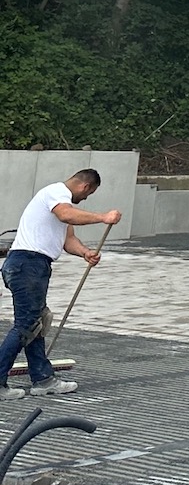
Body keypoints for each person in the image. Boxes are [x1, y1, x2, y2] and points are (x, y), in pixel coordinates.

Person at [2, 169, 121, 398]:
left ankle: (43, 379)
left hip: (31, 265)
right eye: (88, 194)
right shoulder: (57, 193)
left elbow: (68, 239)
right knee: (26, 326)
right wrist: (103, 217)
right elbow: (67, 215)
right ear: (85, 186)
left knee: (36, 324)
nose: (85, 199)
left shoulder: (59, 201)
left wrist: (85, 252)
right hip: (27, 264)